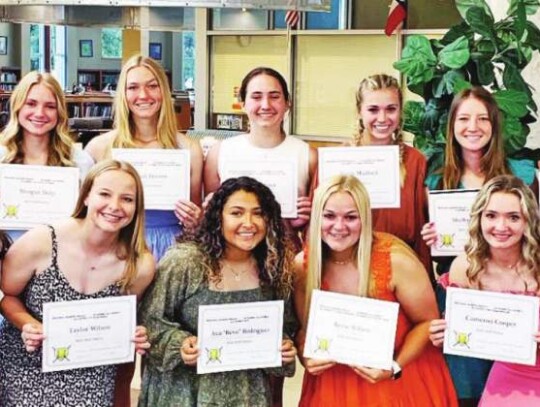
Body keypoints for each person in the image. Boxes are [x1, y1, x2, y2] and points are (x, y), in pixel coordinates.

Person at [0, 160, 155, 407]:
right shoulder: (41, 240)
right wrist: (28, 325)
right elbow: (7, 296)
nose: (114, 206)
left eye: (127, 199)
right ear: (86, 197)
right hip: (27, 360)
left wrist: (132, 333)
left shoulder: (140, 264)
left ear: (137, 207)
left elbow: (124, 319)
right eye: (104, 194)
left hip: (92, 368)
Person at [295, 174, 457, 406]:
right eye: (329, 216)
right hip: (335, 385)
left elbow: (427, 323)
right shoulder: (303, 265)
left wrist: (394, 367)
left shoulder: (396, 260)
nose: (339, 226)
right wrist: (305, 355)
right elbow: (305, 329)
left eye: (351, 217)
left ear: (365, 219)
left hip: (399, 380)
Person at [421, 86, 538, 406]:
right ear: (452, 125)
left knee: (512, 389)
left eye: (482, 118)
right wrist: (430, 235)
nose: (473, 126)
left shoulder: (523, 175)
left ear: (495, 125)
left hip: (517, 289)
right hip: (465, 288)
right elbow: (427, 244)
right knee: (468, 390)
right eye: (464, 118)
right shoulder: (436, 179)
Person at [138, 176, 297, 407]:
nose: (249, 222)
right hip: (183, 394)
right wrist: (181, 344)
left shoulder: (273, 267)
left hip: (246, 394)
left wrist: (283, 347)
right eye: (237, 213)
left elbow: (286, 326)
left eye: (258, 213)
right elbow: (150, 320)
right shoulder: (185, 261)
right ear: (217, 218)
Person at [429, 174, 540, 407]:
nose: (501, 227)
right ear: (479, 218)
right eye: (491, 215)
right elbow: (458, 329)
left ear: (528, 221)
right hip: (494, 373)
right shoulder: (466, 266)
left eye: (513, 217)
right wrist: (442, 334)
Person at [85, 54, 203, 261]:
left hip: (172, 249)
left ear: (163, 92)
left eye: (152, 86)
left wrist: (194, 219)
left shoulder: (188, 149)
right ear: (123, 93)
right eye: (133, 87)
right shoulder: (99, 148)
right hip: (116, 247)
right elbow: (86, 214)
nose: (143, 95)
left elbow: (196, 217)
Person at [204, 66, 318, 249]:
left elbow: (319, 225)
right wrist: (211, 208)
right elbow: (212, 220)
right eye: (256, 97)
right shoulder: (220, 153)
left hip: (286, 256)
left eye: (274, 96)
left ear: (287, 102)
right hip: (231, 258)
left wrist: (303, 221)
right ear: (243, 103)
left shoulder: (308, 155)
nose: (265, 105)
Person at [342, 74, 432, 277]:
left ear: (400, 111)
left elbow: (421, 228)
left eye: (391, 109)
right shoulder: (340, 160)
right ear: (359, 111)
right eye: (373, 110)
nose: (382, 118)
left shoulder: (415, 161)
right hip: (349, 268)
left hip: (402, 269)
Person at [0, 71, 95, 240]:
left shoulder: (80, 162)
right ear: (17, 106)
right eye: (31, 103)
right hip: (7, 252)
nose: (40, 113)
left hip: (62, 254)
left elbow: (90, 220)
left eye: (50, 106)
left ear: (60, 112)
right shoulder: (1, 156)